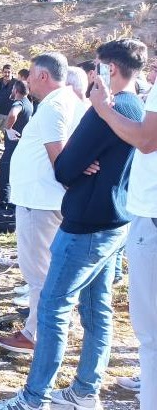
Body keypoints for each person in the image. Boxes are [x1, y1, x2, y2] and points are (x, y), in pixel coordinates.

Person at [0, 38, 147, 410]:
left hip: (86, 223)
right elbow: (77, 159)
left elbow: (65, 166)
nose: (91, 75)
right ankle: (84, 391)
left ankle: (33, 397)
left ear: (109, 69)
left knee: (54, 306)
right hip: (113, 219)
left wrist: (79, 156)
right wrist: (80, 157)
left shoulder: (105, 108)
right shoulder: (133, 105)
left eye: (96, 67)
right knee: (97, 310)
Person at [0, 52, 81, 357]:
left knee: (39, 272)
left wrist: (73, 183)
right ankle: (57, 324)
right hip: (47, 199)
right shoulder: (71, 100)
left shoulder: (55, 105)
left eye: (29, 74)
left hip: (40, 201)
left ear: (43, 75)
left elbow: (62, 158)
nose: (25, 80)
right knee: (53, 269)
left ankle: (35, 334)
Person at [87, 40, 157, 410]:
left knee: (149, 334)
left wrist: (102, 110)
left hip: (151, 217)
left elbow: (146, 140)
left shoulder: (125, 100)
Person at [0, 81, 34, 207]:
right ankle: (13, 204)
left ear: (16, 91)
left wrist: (8, 128)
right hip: (22, 147)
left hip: (13, 147)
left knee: (4, 176)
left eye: (12, 89)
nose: (11, 91)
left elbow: (13, 114)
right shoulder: (29, 103)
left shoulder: (19, 102)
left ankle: (4, 206)